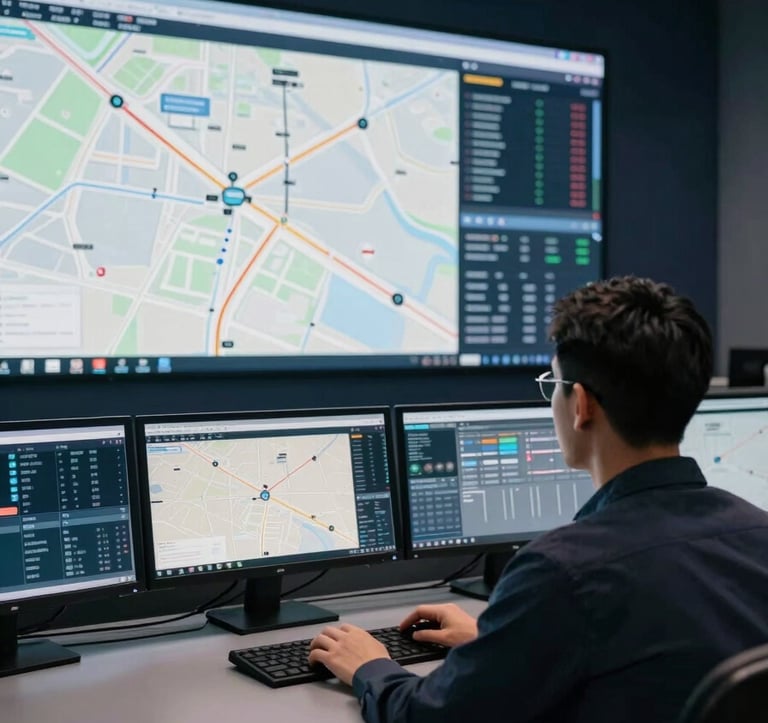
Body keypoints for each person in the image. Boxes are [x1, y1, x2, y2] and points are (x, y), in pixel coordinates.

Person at [308, 275, 768, 723]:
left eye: (555, 385)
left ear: (581, 405)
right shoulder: (757, 533)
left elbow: (431, 715)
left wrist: (370, 665)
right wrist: (495, 641)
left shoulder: (562, 572)